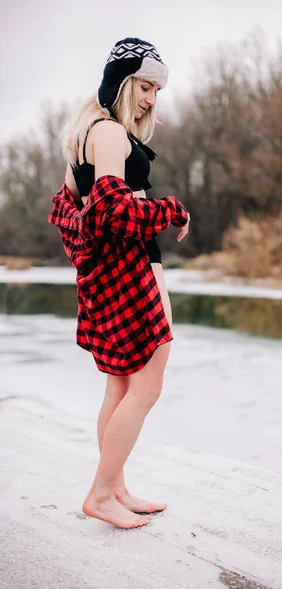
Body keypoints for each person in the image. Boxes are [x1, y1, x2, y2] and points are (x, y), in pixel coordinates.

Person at [48, 38, 190, 529]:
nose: (152, 99)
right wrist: (170, 209)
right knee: (147, 385)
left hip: (115, 271)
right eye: (145, 86)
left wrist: (88, 252)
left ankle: (116, 486)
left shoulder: (86, 134)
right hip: (131, 271)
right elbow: (110, 210)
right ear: (122, 82)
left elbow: (65, 207)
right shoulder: (108, 133)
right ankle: (102, 493)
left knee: (121, 384)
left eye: (156, 90)